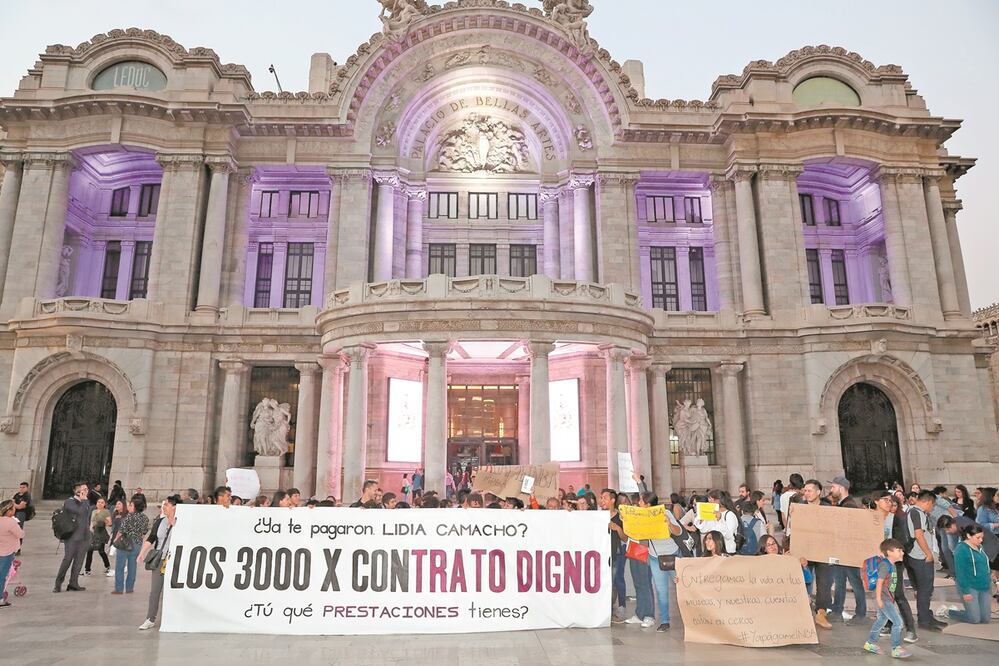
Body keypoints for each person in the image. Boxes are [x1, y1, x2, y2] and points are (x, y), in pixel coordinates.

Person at [873, 492, 918, 643]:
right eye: (885, 500)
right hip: (880, 563)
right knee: (885, 594)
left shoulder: (897, 519)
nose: (888, 503)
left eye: (891, 501)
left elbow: (906, 541)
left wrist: (896, 554)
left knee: (898, 594)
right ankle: (889, 623)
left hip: (895, 563)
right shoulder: (872, 519)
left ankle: (911, 629)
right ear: (876, 501)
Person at [637, 491, 683, 632]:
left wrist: (669, 524)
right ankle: (664, 621)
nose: (639, 503)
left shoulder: (665, 513)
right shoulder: (641, 517)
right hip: (655, 557)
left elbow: (678, 532)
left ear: (648, 504)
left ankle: (691, 618)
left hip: (672, 555)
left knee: (682, 588)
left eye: (641, 501)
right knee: (661, 591)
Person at [826, 476, 867, 626]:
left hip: (848, 552)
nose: (831, 490)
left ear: (841, 488)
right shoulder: (844, 504)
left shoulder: (848, 505)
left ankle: (861, 613)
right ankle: (837, 610)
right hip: (842, 551)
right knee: (840, 581)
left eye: (833, 487)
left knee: (854, 582)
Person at [863, 538, 912, 659]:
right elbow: (879, 583)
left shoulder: (891, 564)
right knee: (898, 622)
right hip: (883, 598)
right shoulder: (885, 565)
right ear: (890, 552)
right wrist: (879, 599)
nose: (902, 553)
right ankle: (896, 648)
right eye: (899, 550)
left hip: (887, 598)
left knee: (882, 620)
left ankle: (870, 643)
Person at [905, 490, 946, 632]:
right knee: (925, 589)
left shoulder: (915, 512)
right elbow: (918, 535)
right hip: (920, 556)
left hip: (917, 555)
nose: (932, 508)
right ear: (927, 502)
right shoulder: (916, 513)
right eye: (932, 505)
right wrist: (928, 553)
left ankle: (927, 616)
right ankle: (924, 620)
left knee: (925, 588)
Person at [138, 495, 180, 631]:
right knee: (155, 591)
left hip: (175, 560)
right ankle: (150, 618)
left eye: (167, 505)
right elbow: (151, 538)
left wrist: (175, 524)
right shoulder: (159, 521)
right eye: (164, 504)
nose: (164, 507)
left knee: (173, 591)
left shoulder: (182, 522)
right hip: (160, 559)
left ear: (174, 507)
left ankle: (174, 618)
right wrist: (142, 552)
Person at [947, 524, 993, 625]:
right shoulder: (961, 549)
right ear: (968, 536)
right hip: (970, 586)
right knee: (975, 619)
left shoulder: (980, 548)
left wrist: (994, 583)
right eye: (978, 537)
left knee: (985, 619)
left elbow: (986, 567)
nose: (981, 540)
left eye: (982, 537)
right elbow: (960, 573)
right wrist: (965, 592)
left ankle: (971, 610)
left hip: (984, 586)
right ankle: (950, 612)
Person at [54, 481, 93, 593]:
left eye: (87, 489)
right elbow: (80, 512)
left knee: (79, 561)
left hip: (84, 536)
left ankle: (73, 583)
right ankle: (58, 584)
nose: (86, 491)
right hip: (72, 537)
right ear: (77, 491)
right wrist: (84, 501)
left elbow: (86, 517)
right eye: (84, 489)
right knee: (67, 560)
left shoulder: (86, 502)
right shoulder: (69, 502)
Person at [112, 496, 149, 595]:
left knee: (120, 566)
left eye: (131, 505)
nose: (129, 506)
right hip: (137, 544)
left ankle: (119, 589)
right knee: (132, 567)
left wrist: (115, 539)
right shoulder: (145, 518)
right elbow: (144, 532)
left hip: (125, 543)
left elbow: (122, 530)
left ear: (135, 507)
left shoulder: (129, 516)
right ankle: (129, 588)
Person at [600, 488, 627, 622]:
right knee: (605, 581)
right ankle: (607, 608)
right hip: (601, 554)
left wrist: (618, 529)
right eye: (601, 498)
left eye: (604, 498)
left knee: (617, 580)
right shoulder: (597, 515)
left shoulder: (621, 517)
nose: (602, 500)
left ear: (612, 500)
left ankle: (622, 606)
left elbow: (625, 538)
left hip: (617, 553)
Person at [692, 489, 739, 553]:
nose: (709, 502)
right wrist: (702, 517)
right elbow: (703, 530)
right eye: (709, 499)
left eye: (711, 499)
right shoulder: (712, 514)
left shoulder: (729, 515)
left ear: (718, 500)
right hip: (714, 551)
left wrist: (719, 520)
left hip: (727, 551)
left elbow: (729, 535)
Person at [0, 500, 25, 607]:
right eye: (13, 508)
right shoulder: (11, 522)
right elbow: (21, 534)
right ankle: (0, 599)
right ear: (9, 510)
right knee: (2, 575)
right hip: (7, 552)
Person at [84, 497, 112, 576]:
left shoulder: (106, 511)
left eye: (102, 502)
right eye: (98, 502)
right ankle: (87, 570)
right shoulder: (93, 511)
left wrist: (102, 521)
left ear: (104, 504)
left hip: (101, 533)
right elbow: (91, 523)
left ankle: (107, 566)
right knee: (89, 550)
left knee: (101, 551)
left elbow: (109, 523)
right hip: (93, 533)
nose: (100, 503)